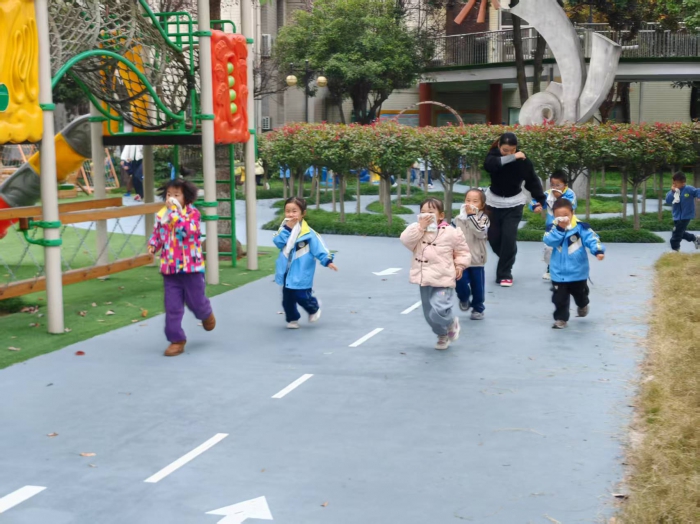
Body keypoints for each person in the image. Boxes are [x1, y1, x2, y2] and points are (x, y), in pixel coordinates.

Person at [148, 179, 215, 356]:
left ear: (186, 198)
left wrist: (174, 214)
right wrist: (153, 245)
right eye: (169, 195)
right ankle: (176, 340)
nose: (171, 198)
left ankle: (206, 313)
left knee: (196, 303)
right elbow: (158, 233)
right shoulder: (163, 215)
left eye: (176, 195)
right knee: (172, 307)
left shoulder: (193, 214)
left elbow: (187, 232)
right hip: (170, 269)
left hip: (191, 269)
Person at [400, 198, 471, 350]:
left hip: (443, 279)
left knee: (438, 309)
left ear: (441, 215)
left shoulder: (452, 232)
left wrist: (460, 265)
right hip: (425, 278)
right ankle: (442, 335)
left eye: (431, 212)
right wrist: (420, 228)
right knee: (428, 314)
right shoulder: (417, 230)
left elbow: (462, 251)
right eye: (423, 212)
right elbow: (405, 240)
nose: (426, 215)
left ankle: (451, 322)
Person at [484, 132, 547, 287]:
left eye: (512, 150)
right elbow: (490, 166)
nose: (509, 153)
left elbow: (532, 180)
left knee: (508, 237)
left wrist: (540, 200)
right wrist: (512, 157)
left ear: (516, 147)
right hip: (493, 203)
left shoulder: (523, 161)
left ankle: (505, 273)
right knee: (494, 238)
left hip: (514, 204)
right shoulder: (492, 156)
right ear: (499, 146)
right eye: (505, 150)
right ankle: (509, 254)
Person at [273, 197, 338, 329]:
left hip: (302, 273)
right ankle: (292, 319)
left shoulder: (309, 234)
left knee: (301, 296)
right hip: (286, 271)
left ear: (303, 213)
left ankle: (314, 307)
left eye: (294, 211)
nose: (291, 214)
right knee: (287, 300)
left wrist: (327, 261)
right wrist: (287, 229)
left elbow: (320, 248)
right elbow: (278, 242)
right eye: (287, 211)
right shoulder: (283, 229)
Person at [544, 199, 605, 329]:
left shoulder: (581, 227)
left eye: (566, 215)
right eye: (559, 216)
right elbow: (549, 241)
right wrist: (560, 229)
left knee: (580, 294)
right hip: (558, 273)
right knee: (559, 299)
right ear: (554, 216)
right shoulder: (552, 229)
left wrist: (598, 250)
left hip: (578, 271)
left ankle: (583, 304)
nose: (563, 218)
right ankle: (561, 319)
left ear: (572, 213)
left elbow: (592, 239)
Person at [530, 170, 578, 281]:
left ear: (565, 185)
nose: (554, 187)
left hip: (568, 227)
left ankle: (568, 270)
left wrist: (559, 198)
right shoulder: (547, 194)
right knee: (549, 248)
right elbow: (535, 201)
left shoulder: (570, 194)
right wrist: (535, 207)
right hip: (552, 227)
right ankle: (550, 267)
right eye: (552, 185)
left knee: (567, 249)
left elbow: (569, 206)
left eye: (558, 185)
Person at [453, 189, 490, 320]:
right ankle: (464, 298)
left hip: (476, 259)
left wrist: (471, 217)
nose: (470, 204)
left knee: (478, 287)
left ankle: (478, 308)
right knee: (459, 281)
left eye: (475, 201)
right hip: (460, 259)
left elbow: (480, 232)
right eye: (468, 200)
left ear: (482, 205)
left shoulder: (484, 219)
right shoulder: (458, 219)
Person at [665, 173, 700, 252]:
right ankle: (695, 238)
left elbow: (697, 191)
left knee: (675, 236)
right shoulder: (673, 191)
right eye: (673, 183)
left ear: (683, 183)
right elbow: (668, 201)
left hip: (686, 216)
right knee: (680, 233)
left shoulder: (688, 189)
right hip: (676, 216)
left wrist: (699, 196)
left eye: (676, 183)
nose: (674, 185)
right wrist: (673, 192)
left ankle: (675, 250)